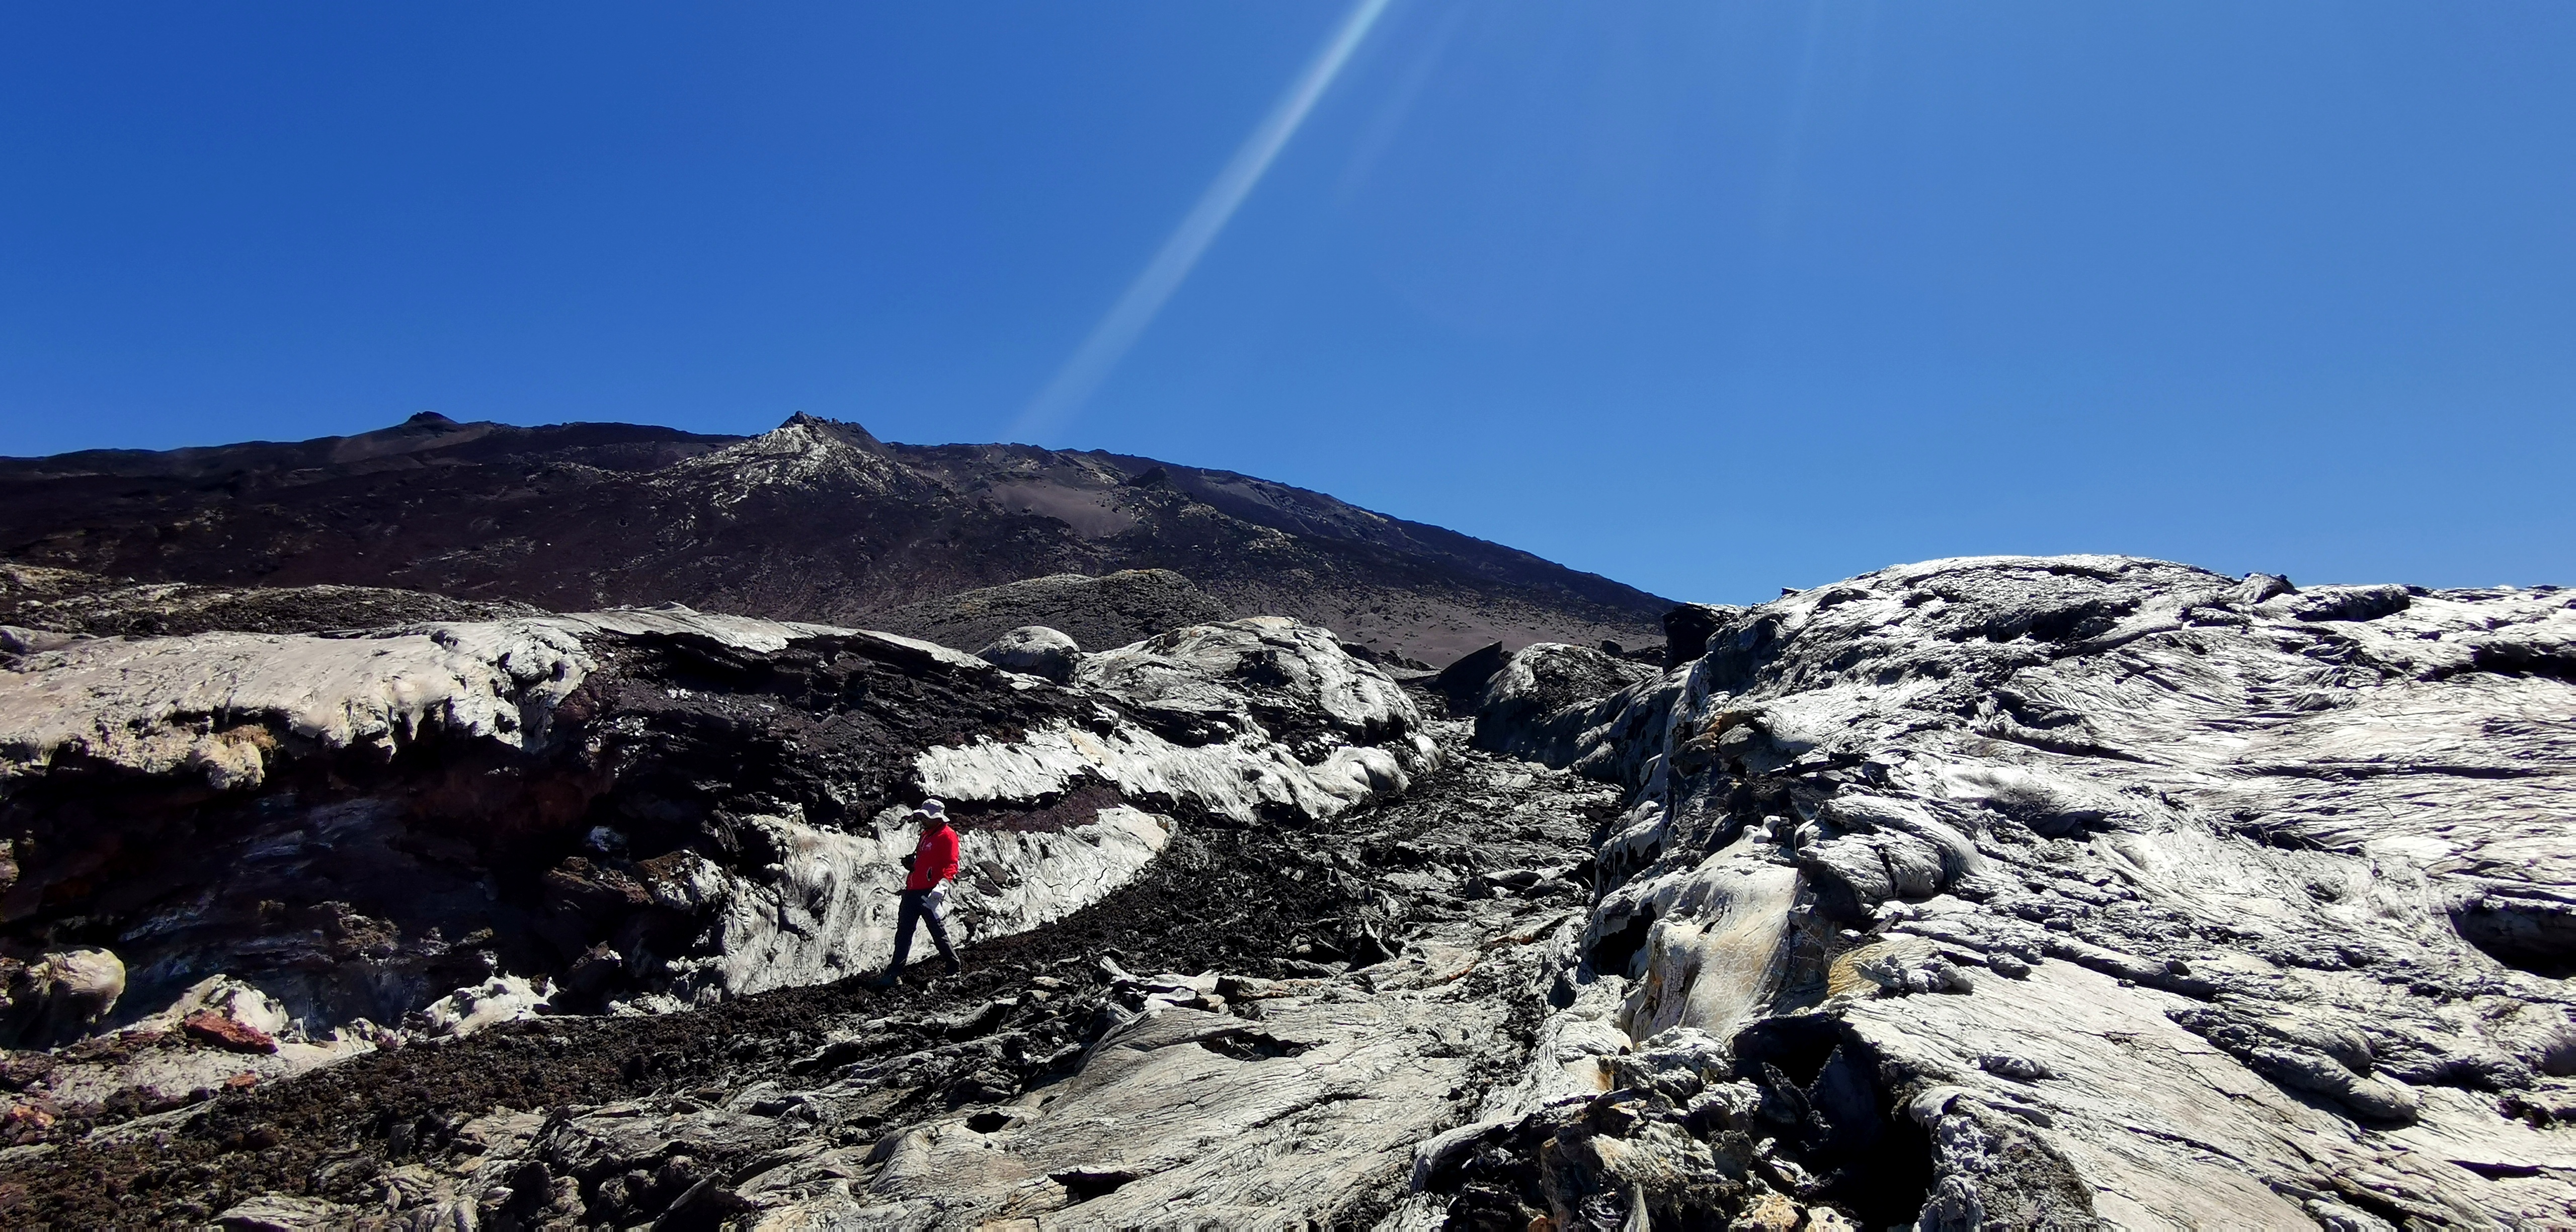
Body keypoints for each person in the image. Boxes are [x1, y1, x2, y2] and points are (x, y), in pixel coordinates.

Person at [876, 798, 962, 985]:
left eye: (926, 817)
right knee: (903, 933)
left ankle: (953, 966)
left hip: (930, 892)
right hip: (912, 890)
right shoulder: (926, 835)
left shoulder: (947, 835)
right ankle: (894, 972)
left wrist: (943, 885)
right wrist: (912, 864)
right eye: (922, 816)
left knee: (937, 931)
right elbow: (925, 861)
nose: (923, 819)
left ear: (938, 818)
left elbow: (952, 863)